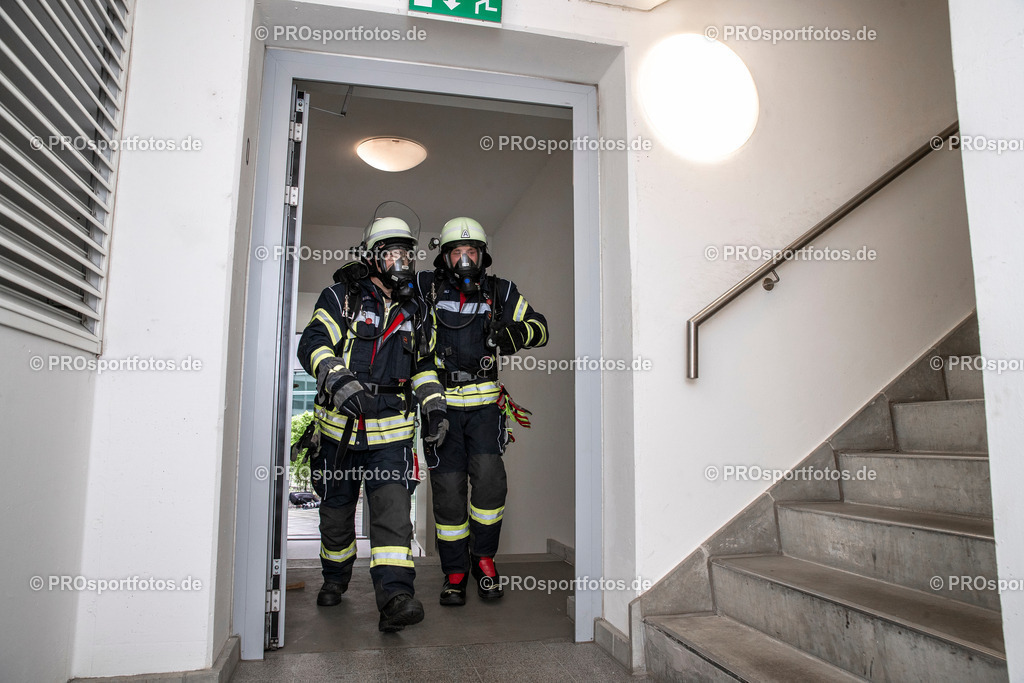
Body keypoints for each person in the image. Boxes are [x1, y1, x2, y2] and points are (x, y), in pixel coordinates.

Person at [296, 210, 448, 632]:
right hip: (338, 435)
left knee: (393, 517)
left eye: (406, 255)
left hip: (392, 438)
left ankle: (396, 597)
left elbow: (424, 367)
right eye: (392, 254)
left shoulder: (417, 311)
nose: (401, 263)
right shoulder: (339, 297)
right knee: (336, 516)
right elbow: (312, 343)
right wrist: (336, 377)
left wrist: (435, 406)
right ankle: (335, 577)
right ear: (373, 257)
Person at [417, 216, 548, 606]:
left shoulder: (500, 291)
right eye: (456, 252)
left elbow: (541, 328)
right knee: (448, 494)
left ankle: (484, 561)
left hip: (485, 409)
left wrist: (514, 334)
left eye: (470, 251)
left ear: (482, 254)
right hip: (441, 409)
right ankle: (455, 572)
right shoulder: (428, 286)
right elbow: (393, 283)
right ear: (444, 256)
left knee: (490, 486)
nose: (463, 259)